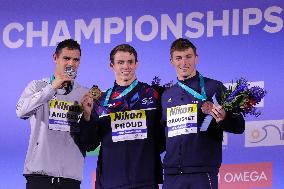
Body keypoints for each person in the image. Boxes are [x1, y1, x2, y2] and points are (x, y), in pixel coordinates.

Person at [161, 38, 245, 189]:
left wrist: (224, 118)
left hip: (202, 171)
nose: (184, 62)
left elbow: (239, 125)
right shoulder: (166, 95)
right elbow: (162, 134)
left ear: (196, 58)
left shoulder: (214, 87)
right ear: (172, 61)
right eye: (178, 58)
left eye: (188, 56)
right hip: (171, 173)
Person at [80, 44, 164, 189]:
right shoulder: (101, 100)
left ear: (136, 64)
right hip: (110, 182)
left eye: (130, 62)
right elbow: (90, 145)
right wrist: (86, 116)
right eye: (120, 62)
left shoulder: (153, 94)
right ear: (111, 65)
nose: (126, 66)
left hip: (145, 182)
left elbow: (163, 137)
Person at [16, 39, 89, 189]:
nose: (71, 64)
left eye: (76, 60)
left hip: (70, 179)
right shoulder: (37, 86)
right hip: (39, 177)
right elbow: (21, 112)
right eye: (66, 58)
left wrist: (87, 116)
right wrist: (52, 87)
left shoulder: (84, 94)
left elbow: (89, 139)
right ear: (55, 58)